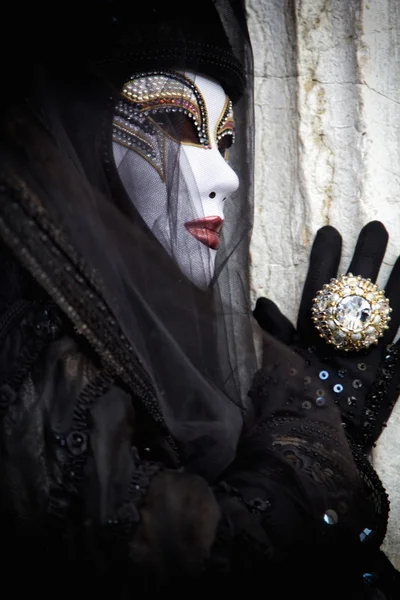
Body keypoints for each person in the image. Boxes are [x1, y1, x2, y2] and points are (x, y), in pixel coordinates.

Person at [0, 1, 399, 597]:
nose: (227, 175)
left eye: (228, 138)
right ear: (70, 139)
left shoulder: (209, 349)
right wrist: (316, 431)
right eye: (174, 124)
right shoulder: (26, 354)